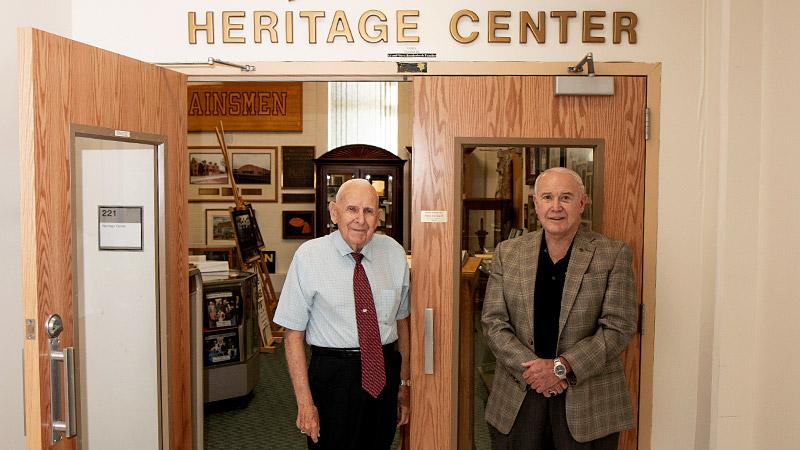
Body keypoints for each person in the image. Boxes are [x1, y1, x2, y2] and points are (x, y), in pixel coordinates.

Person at [481, 167, 637, 450]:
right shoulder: (508, 252)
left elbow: (618, 327)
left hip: (588, 401)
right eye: (547, 197)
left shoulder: (612, 254)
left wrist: (560, 367)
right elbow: (494, 322)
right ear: (535, 203)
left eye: (566, 197)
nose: (556, 207)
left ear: (582, 202)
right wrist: (536, 372)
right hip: (520, 395)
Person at [274, 178, 411, 450]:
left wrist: (404, 383)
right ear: (334, 212)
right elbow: (292, 335)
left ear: (379, 216)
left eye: (369, 211)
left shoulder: (394, 254)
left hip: (384, 373)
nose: (360, 219)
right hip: (332, 378)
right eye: (352, 210)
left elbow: (402, 321)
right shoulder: (309, 257)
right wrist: (305, 403)